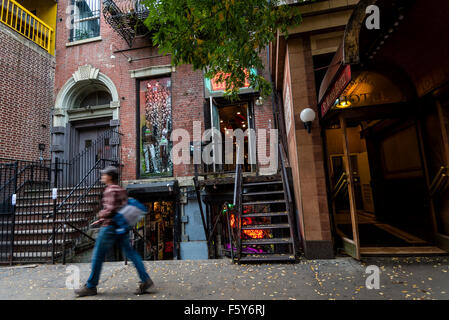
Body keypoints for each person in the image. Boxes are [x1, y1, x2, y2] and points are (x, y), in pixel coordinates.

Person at [75, 166, 154, 297]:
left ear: (110, 177)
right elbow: (120, 209)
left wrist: (100, 214)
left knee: (97, 256)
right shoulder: (121, 189)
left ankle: (90, 286)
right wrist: (100, 221)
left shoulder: (110, 189)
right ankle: (145, 279)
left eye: (104, 174)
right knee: (131, 254)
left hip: (110, 228)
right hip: (121, 226)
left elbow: (111, 210)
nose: (102, 176)